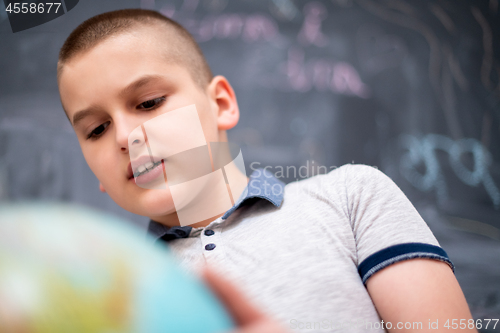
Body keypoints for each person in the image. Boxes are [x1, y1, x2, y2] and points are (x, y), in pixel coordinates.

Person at [57, 9, 476, 332]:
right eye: (96, 129)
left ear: (221, 104)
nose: (125, 136)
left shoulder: (351, 199)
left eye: (148, 103)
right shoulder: (109, 300)